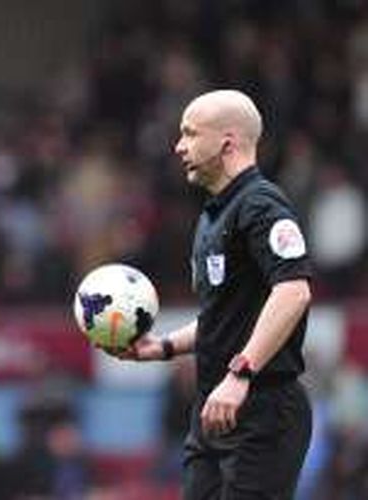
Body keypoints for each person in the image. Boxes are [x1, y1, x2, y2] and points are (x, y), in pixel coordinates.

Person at [109, 89, 313, 499]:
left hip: (261, 408)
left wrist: (240, 374)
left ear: (227, 141)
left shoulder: (261, 205)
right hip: (213, 410)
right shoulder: (213, 215)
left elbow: (293, 292)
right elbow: (224, 317)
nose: (178, 145)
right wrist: (163, 348)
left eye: (189, 133)